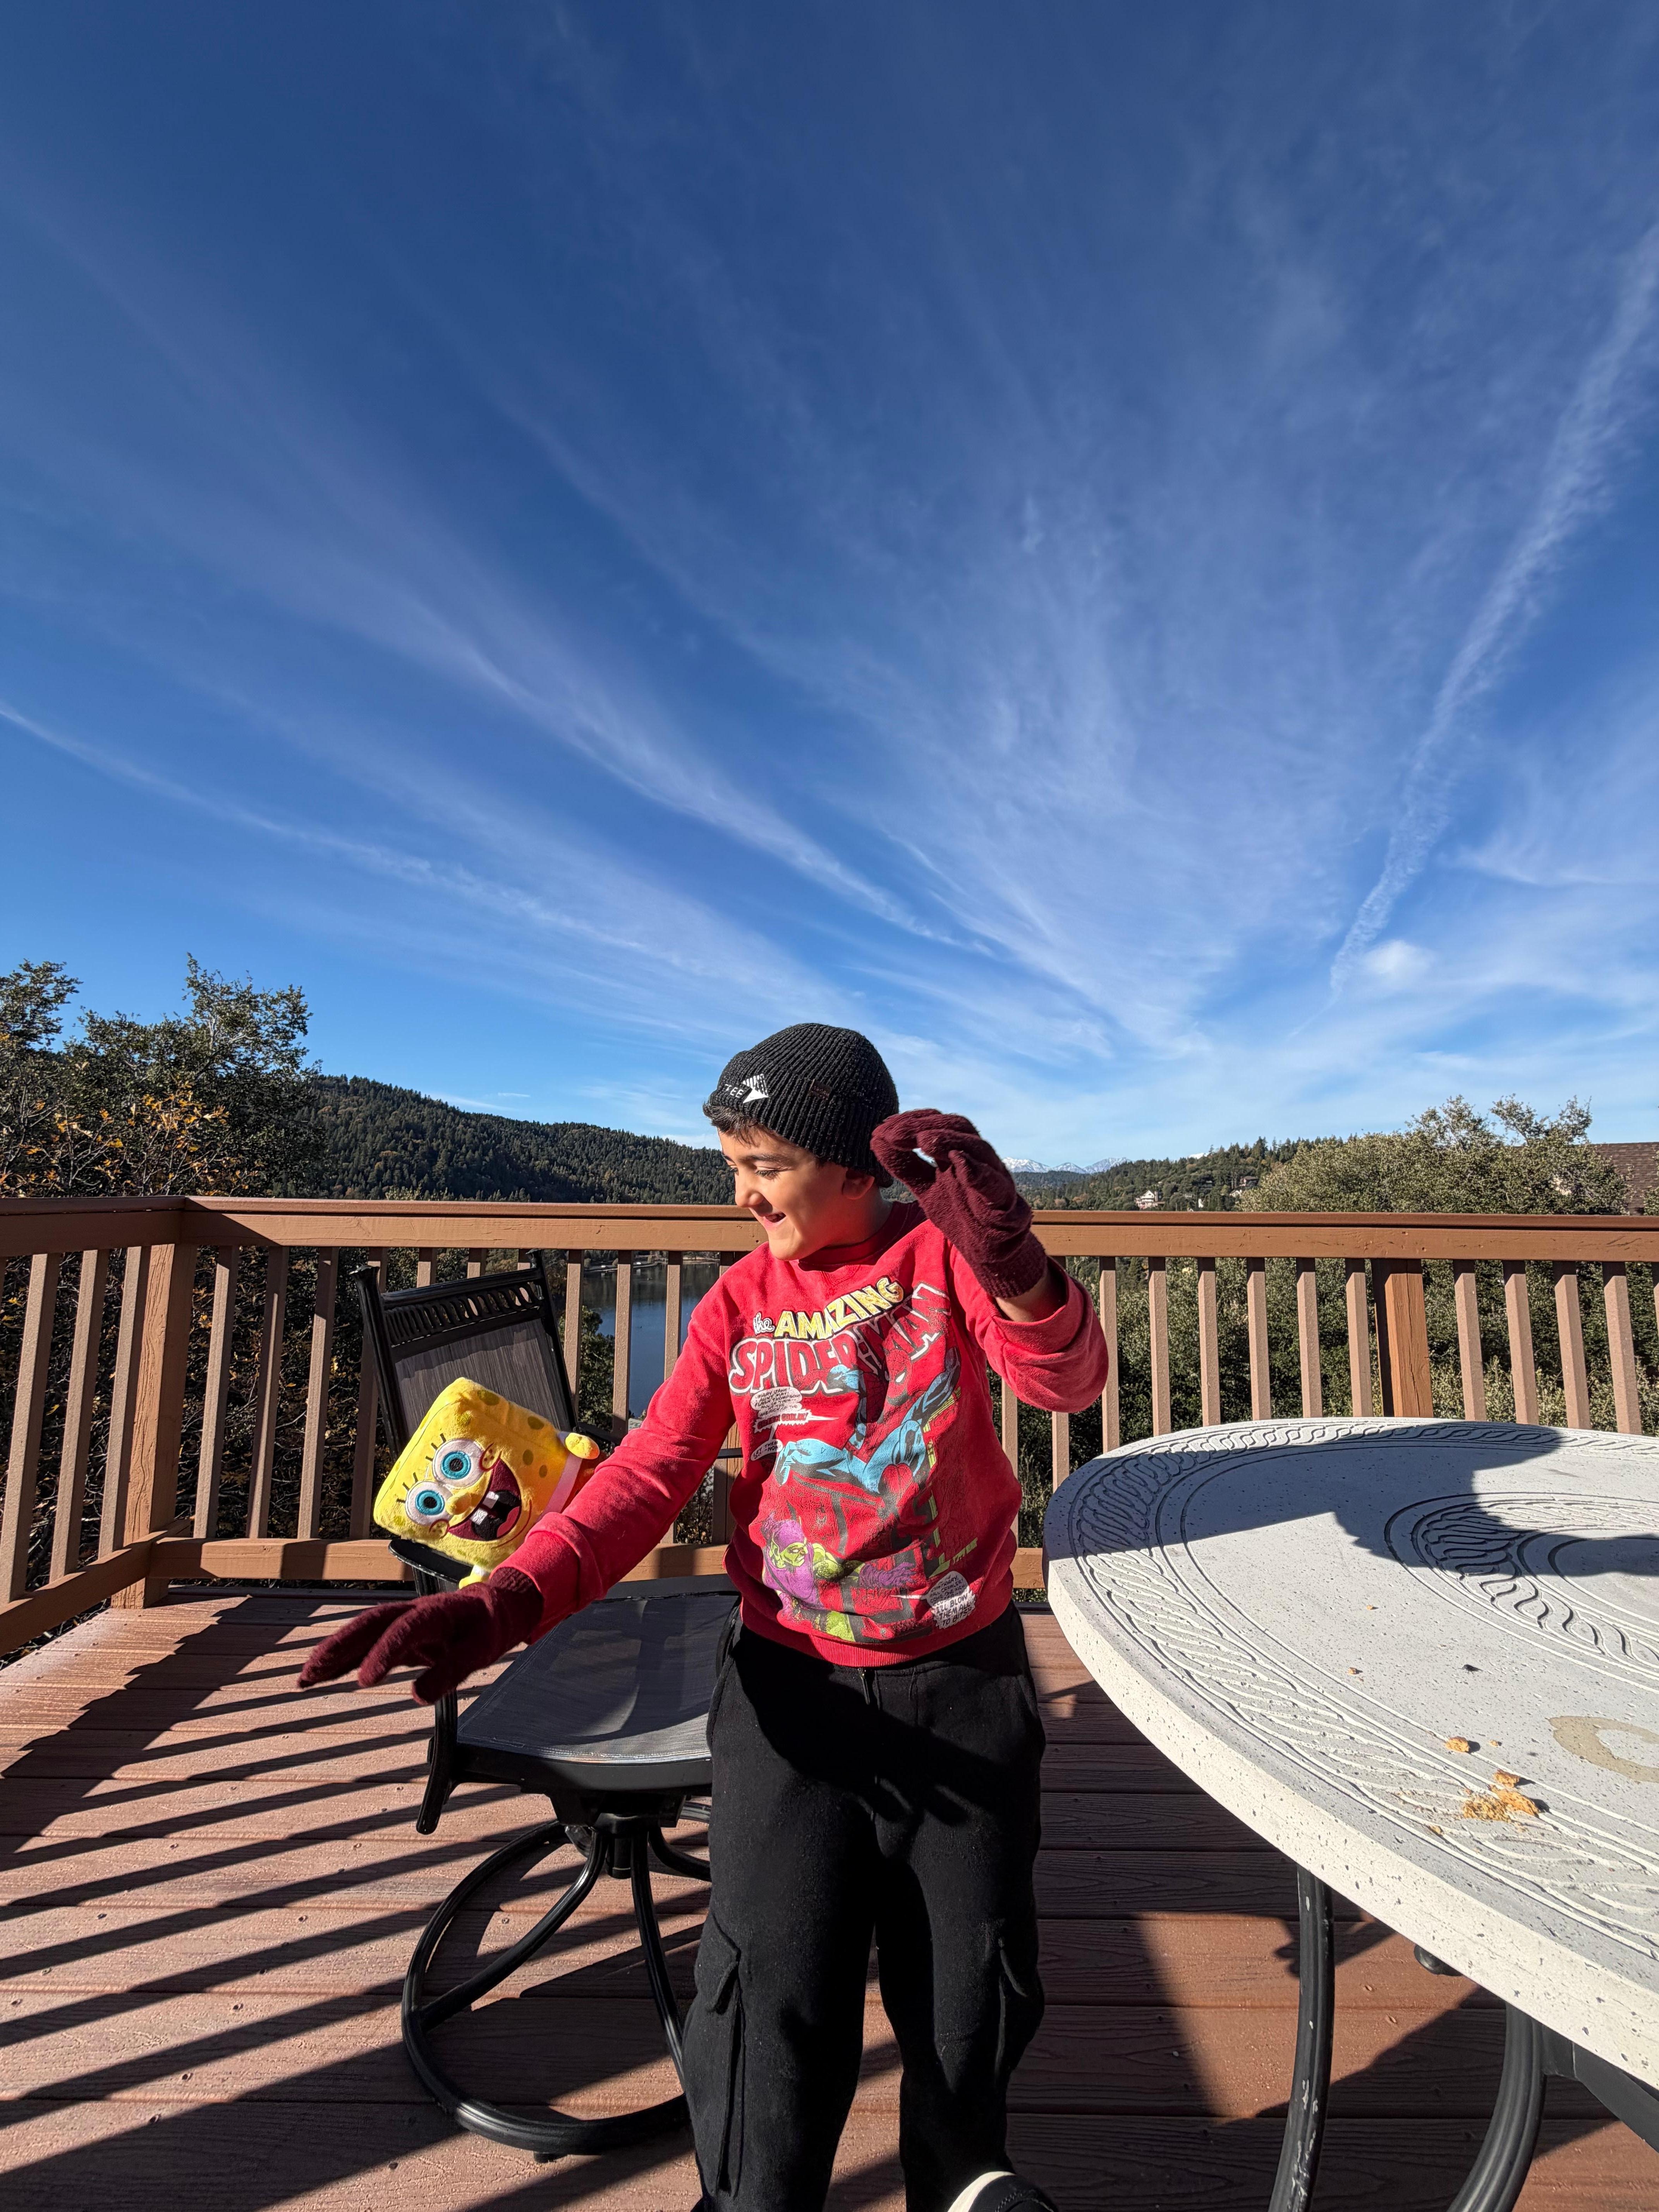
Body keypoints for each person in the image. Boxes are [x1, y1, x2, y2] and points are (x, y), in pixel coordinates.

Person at [301, 1023, 1109, 2212]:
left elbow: (1064, 1384)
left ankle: (960, 2182)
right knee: (769, 1987)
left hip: (965, 1682)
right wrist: (502, 1601)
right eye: (729, 1160)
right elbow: (643, 1478)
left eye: (764, 1163)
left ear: (853, 1166)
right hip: (791, 1697)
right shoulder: (738, 1301)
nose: (738, 1192)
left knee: (968, 1987)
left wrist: (1018, 1266)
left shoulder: (942, 1266)